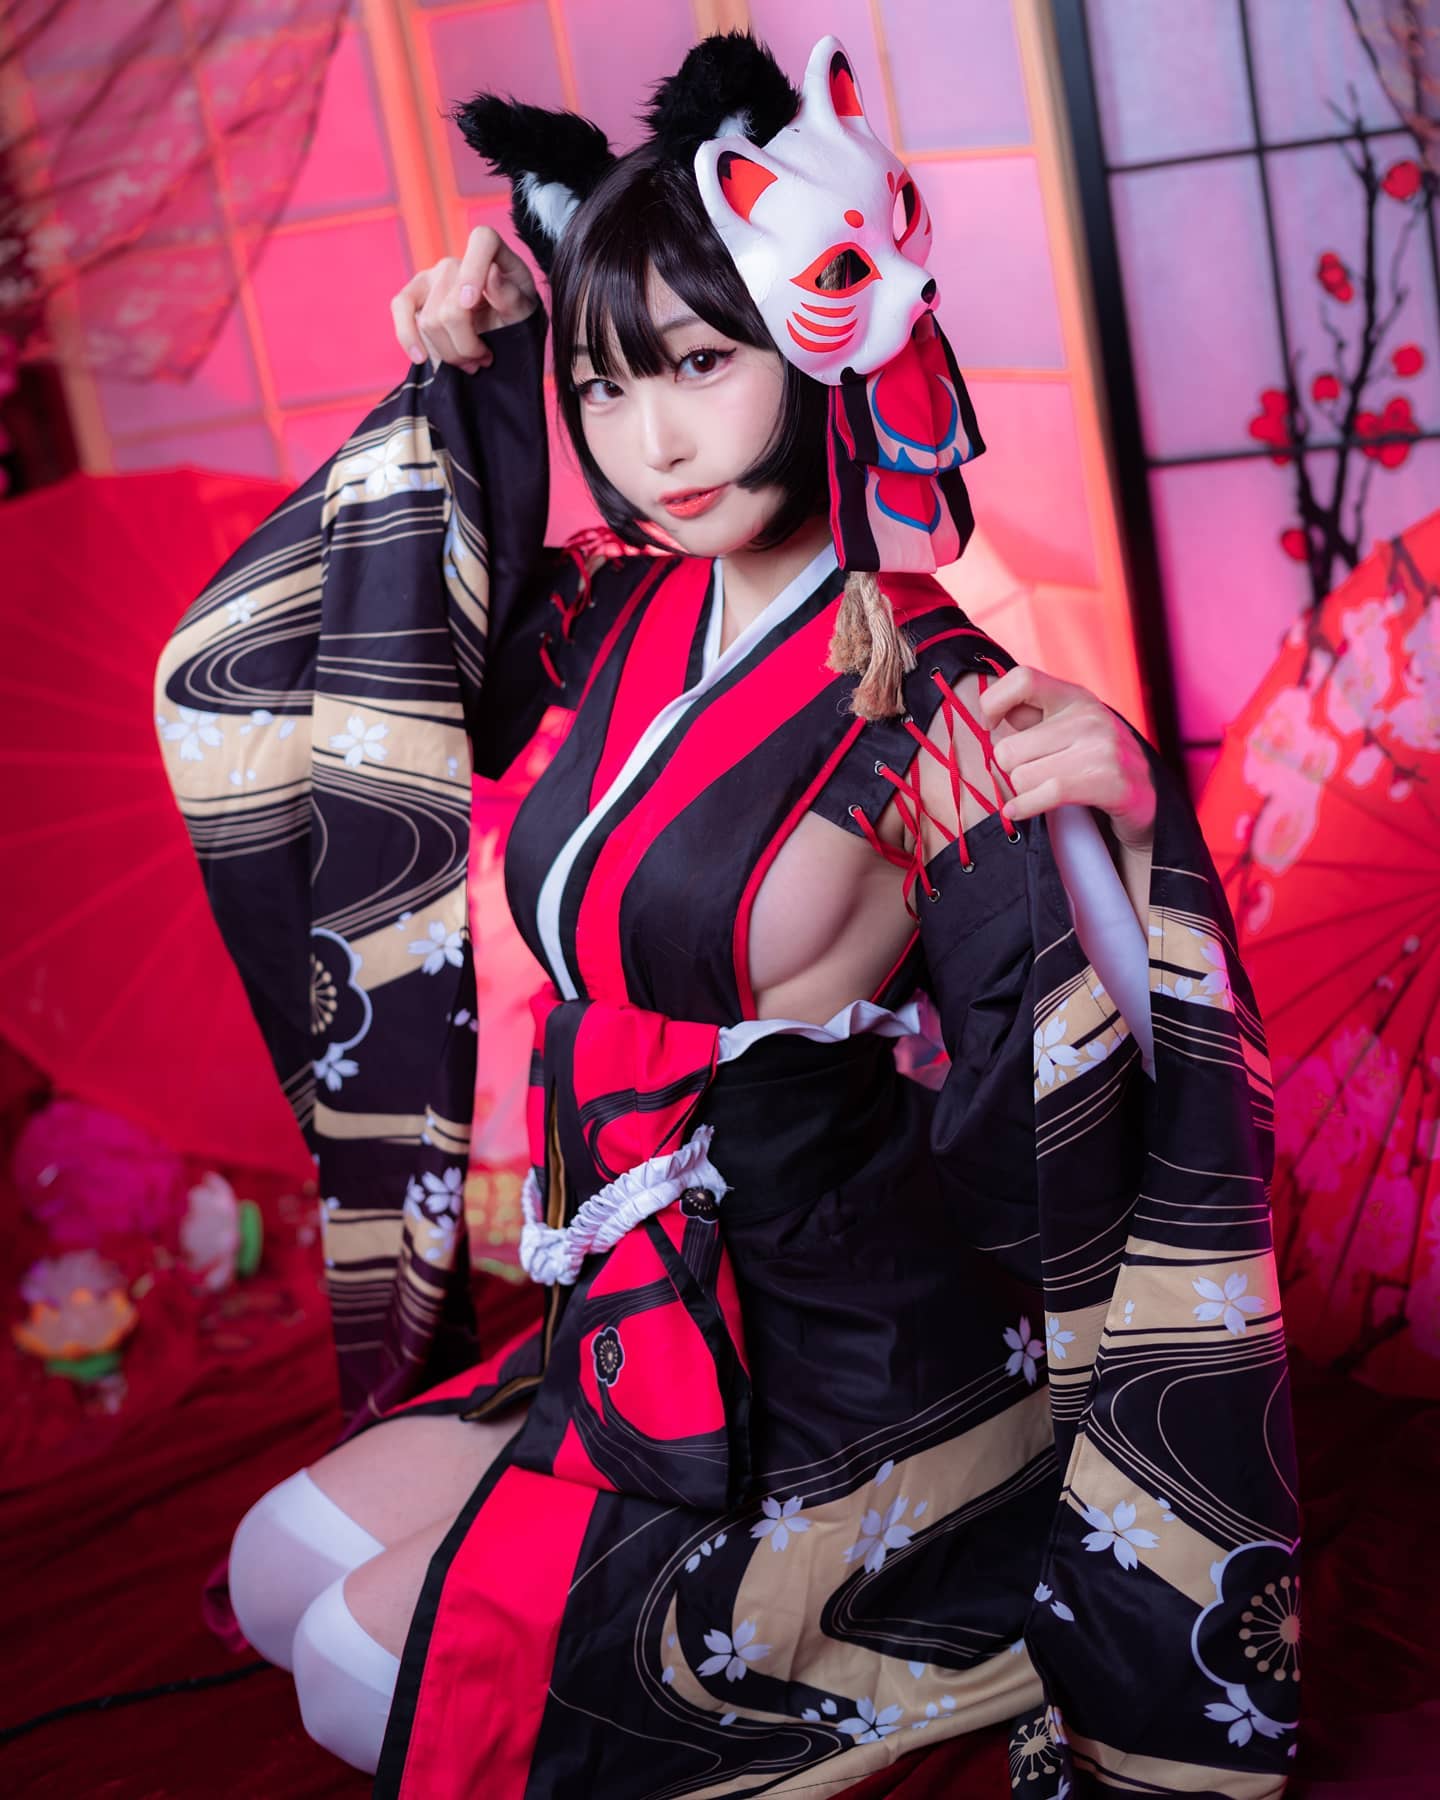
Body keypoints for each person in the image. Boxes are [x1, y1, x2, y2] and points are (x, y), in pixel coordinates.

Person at [159, 32, 1299, 1800]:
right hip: (628, 1301)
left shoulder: (937, 693)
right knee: (272, 1575)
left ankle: (966, 1566)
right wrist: (465, 391)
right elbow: (316, 667)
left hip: (838, 1350)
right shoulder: (612, 621)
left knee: (366, 1673)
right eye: (606, 387)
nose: (655, 440)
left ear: (825, 348)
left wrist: (1132, 842)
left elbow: (1079, 1123)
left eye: (701, 362)